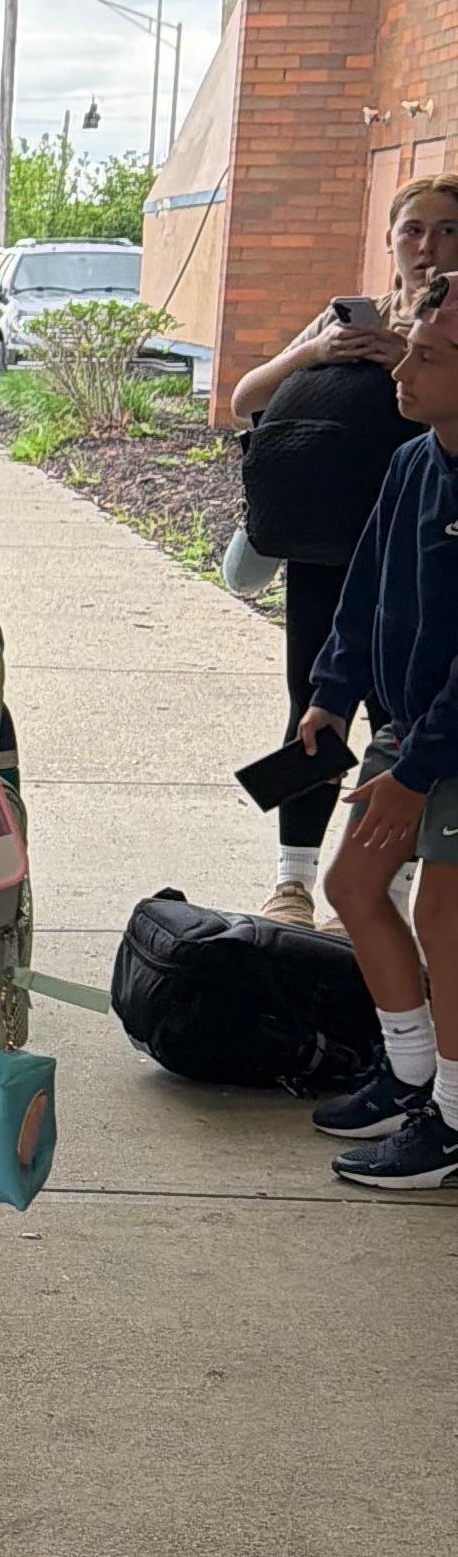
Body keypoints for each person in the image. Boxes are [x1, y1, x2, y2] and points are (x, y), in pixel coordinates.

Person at [224, 174, 457, 922]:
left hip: (422, 549)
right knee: (314, 703)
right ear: (388, 239)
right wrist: (317, 351)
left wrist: (406, 353)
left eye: (447, 230)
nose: (427, 246)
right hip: (329, 543)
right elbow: (244, 399)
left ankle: (385, 885)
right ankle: (291, 877)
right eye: (412, 229)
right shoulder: (343, 313)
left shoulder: (444, 327)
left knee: (406, 710)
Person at [301, 283, 458, 1188]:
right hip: (409, 732)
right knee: (354, 884)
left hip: (451, 745)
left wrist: (420, 768)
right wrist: (333, 690)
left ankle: (453, 1122)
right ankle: (411, 1076)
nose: (403, 368)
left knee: (447, 918)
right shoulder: (413, 463)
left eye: (429, 358)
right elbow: (365, 590)